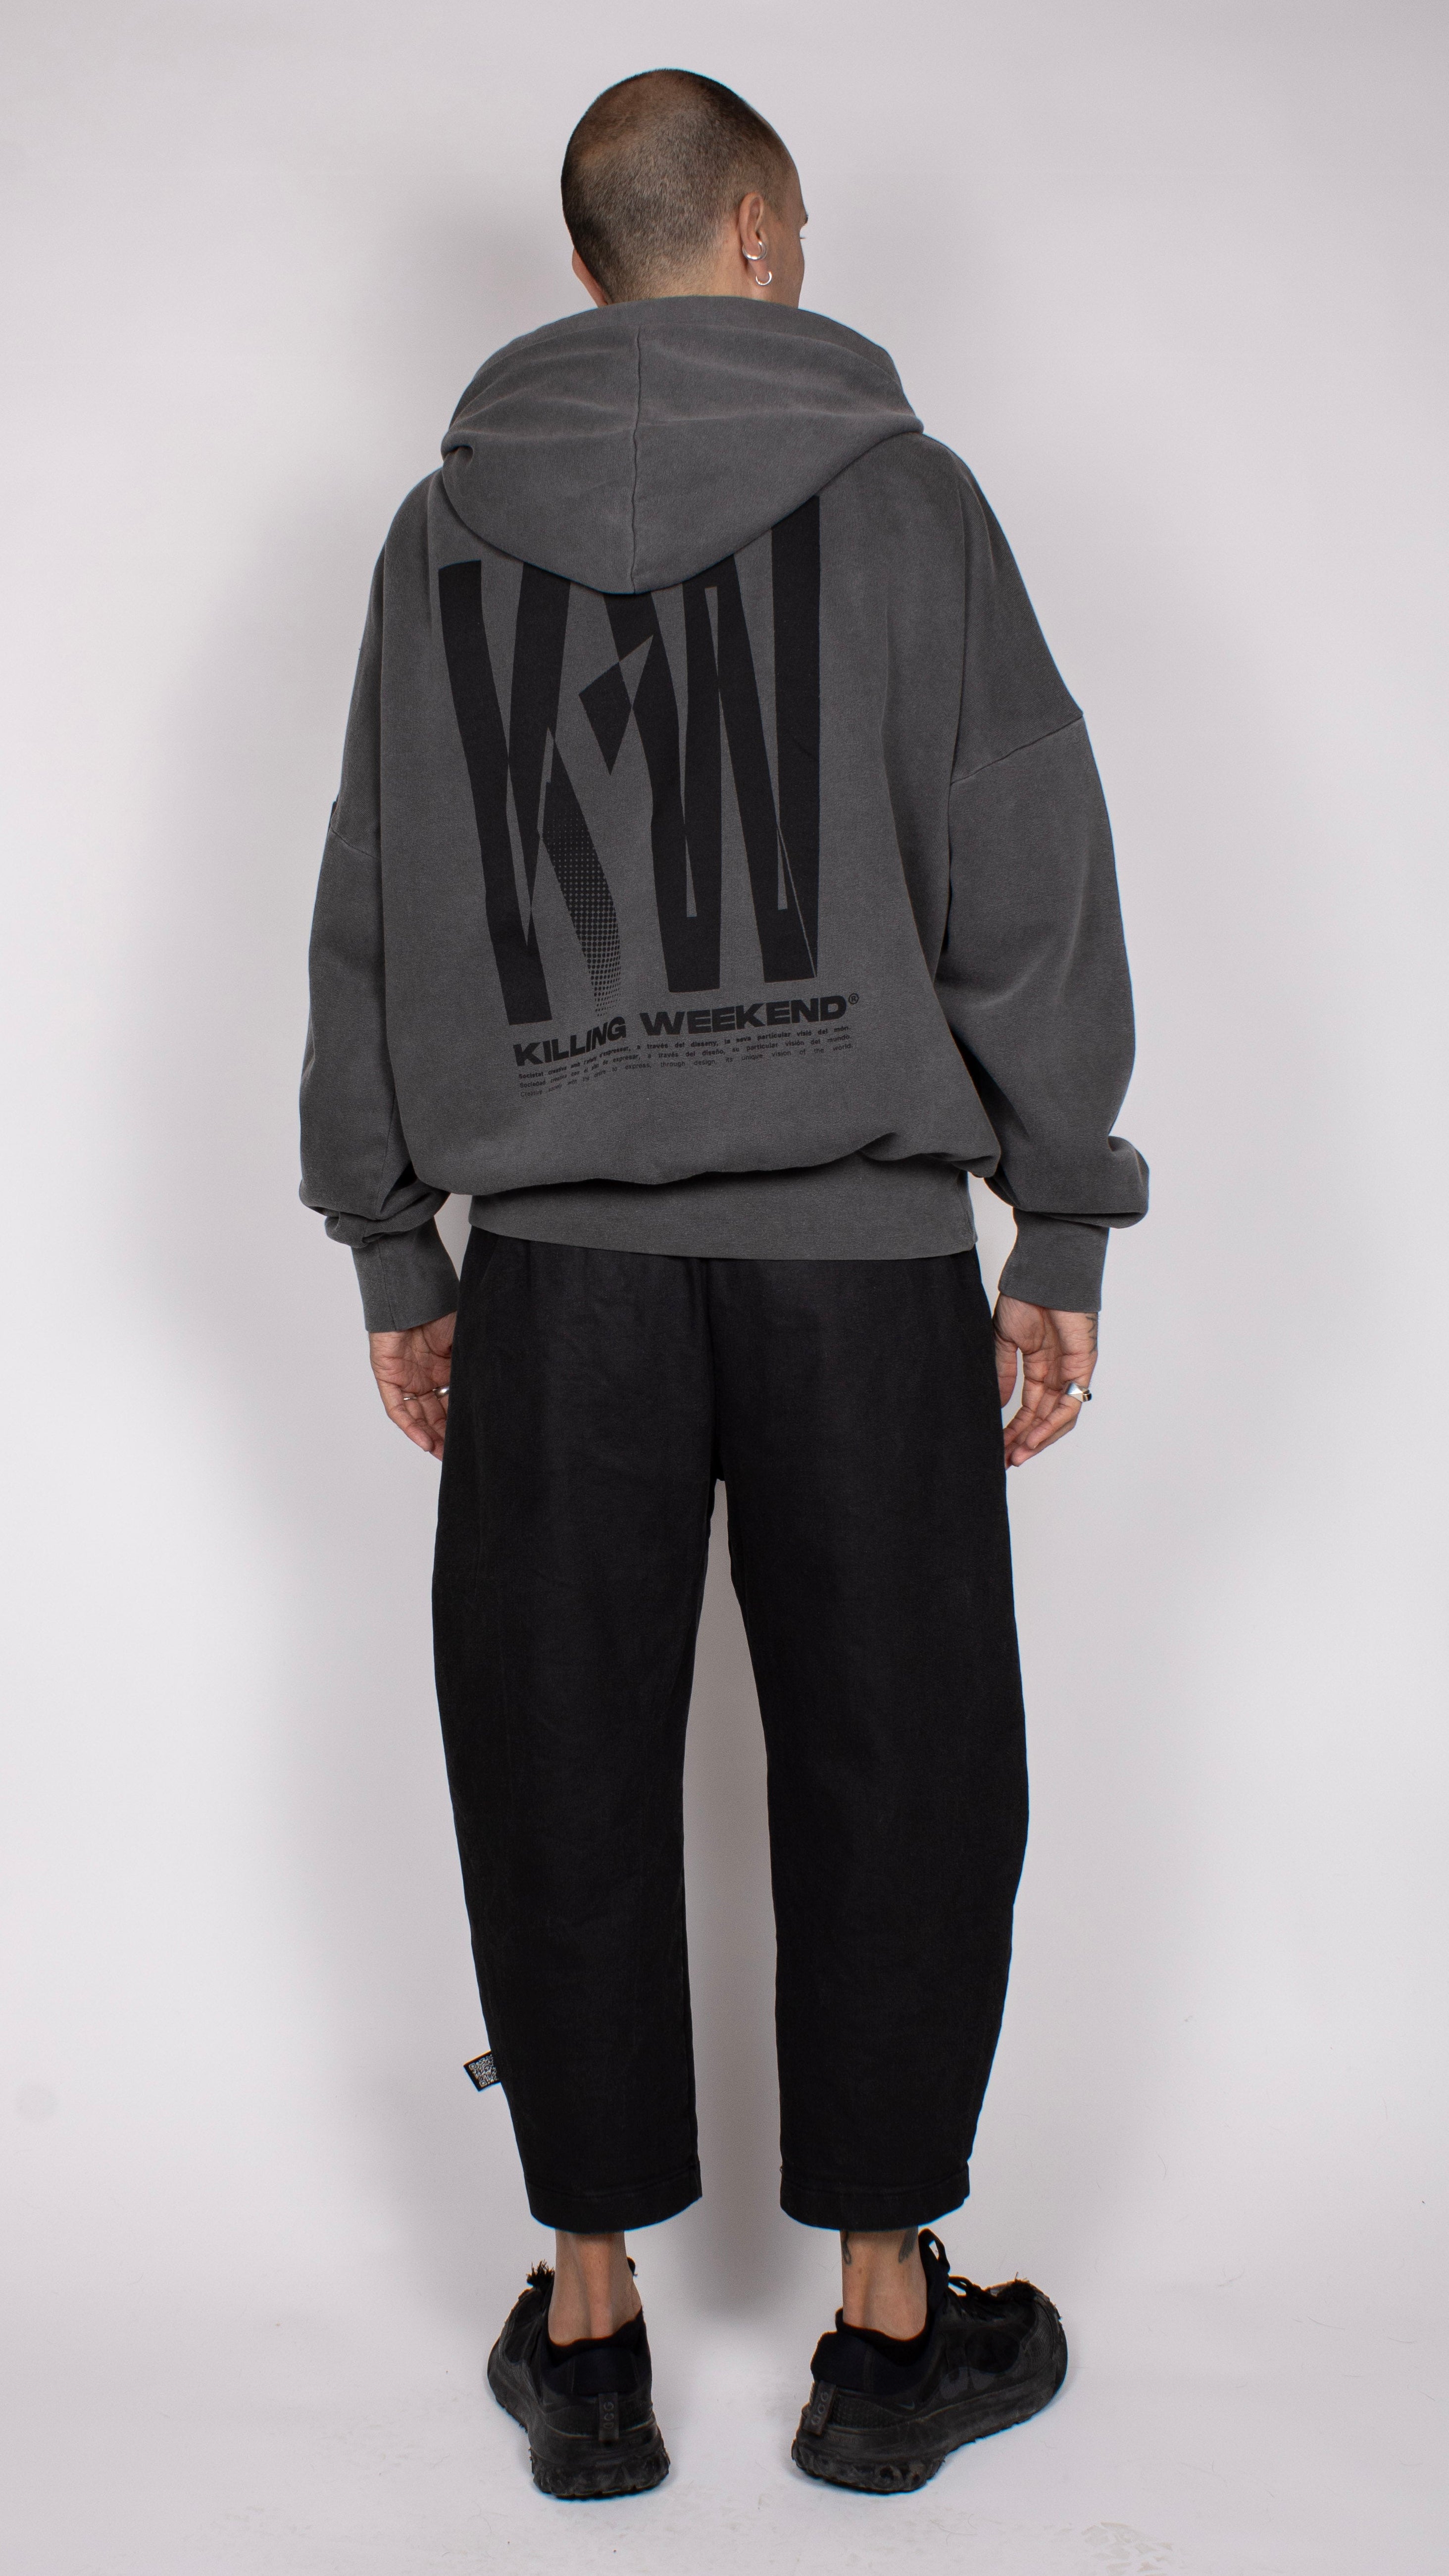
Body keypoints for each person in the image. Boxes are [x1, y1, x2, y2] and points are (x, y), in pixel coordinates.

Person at [300, 67, 1147, 2501]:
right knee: (906, 1757)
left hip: (558, 1272)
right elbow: (1026, 862)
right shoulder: (910, 502)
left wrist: (393, 1236)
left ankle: (589, 2334)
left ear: (589, 269)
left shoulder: (440, 535)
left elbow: (377, 896)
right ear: (765, 232)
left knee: (553, 1756)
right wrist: (1060, 1208)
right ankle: (886, 2332)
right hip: (858, 1259)